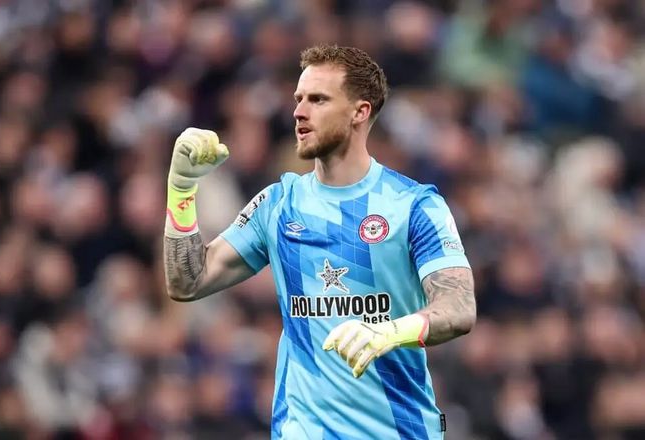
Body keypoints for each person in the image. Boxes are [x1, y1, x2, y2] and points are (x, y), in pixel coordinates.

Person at [163, 45, 476, 440]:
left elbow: (459, 308)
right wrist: (181, 189)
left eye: (318, 99)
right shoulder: (278, 205)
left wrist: (389, 333)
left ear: (359, 112)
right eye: (298, 99)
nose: (299, 111)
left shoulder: (414, 206)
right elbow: (187, 282)